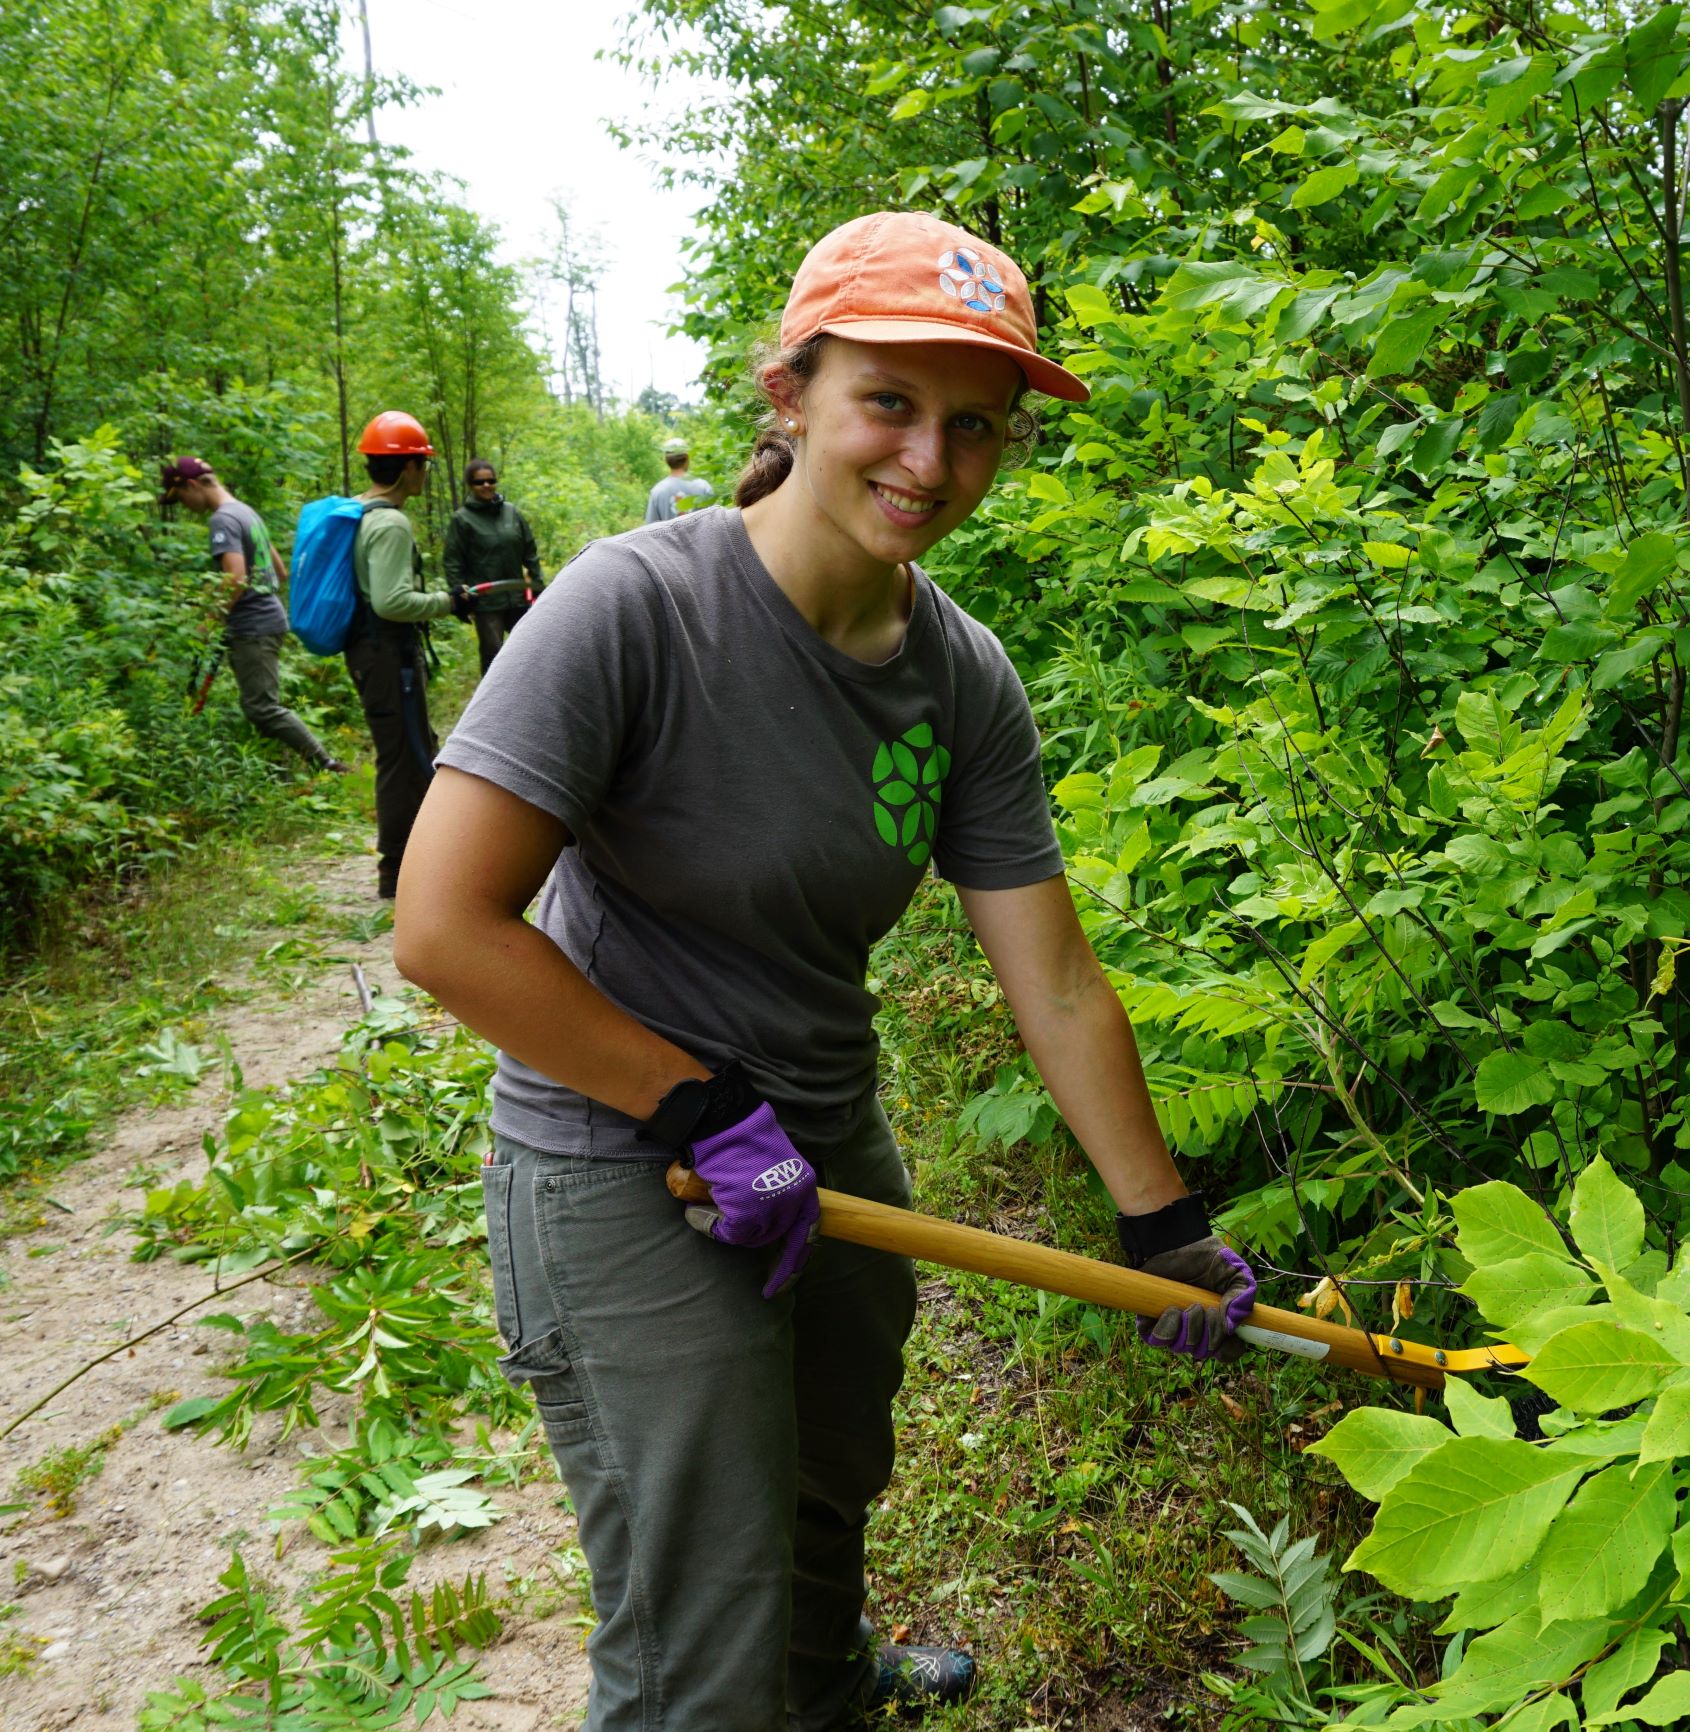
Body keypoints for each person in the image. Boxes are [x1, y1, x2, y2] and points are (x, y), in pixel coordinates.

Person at [392, 210, 1256, 1731]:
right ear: (789, 396)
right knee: (697, 1624)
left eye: (973, 427)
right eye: (889, 405)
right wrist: (693, 1108)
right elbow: (444, 926)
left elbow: (1050, 978)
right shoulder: (634, 610)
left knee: (829, 1476)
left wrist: (1160, 1221)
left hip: (825, 1134)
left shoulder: (960, 674)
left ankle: (828, 1688)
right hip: (620, 1152)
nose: (930, 461)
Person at [345, 410, 473, 899]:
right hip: (385, 654)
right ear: (406, 469)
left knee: (410, 747)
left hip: (372, 652)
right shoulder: (391, 523)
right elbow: (391, 601)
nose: (424, 471)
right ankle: (398, 871)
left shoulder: (361, 512)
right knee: (404, 757)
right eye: (422, 463)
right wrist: (449, 602)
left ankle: (415, 862)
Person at [160, 456, 345, 774]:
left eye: (180, 499)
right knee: (259, 703)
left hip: (254, 624)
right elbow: (280, 571)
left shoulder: (222, 519)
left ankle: (325, 763)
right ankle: (279, 769)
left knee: (261, 707)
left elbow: (235, 577)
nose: (184, 506)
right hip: (267, 616)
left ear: (191, 486)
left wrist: (208, 621)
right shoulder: (245, 511)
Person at [443, 458, 543, 673]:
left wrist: (538, 586)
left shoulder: (511, 512)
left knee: (530, 649)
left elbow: (529, 550)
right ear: (470, 485)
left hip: (517, 597)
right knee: (493, 657)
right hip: (487, 603)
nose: (486, 485)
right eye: (480, 482)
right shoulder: (462, 520)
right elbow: (453, 560)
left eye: (491, 480)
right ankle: (495, 704)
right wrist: (460, 594)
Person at [643, 435, 715, 522]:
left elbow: (650, 529)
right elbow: (716, 522)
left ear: (666, 460)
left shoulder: (657, 491)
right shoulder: (703, 487)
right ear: (687, 458)